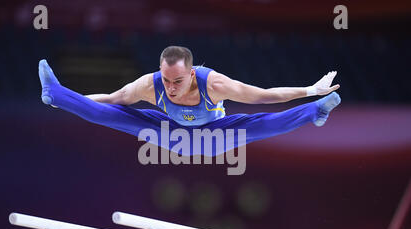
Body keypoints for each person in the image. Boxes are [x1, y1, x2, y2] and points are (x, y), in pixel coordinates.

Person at [38, 46, 341, 157]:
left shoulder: (215, 83)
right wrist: (65, 101)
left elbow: (262, 95)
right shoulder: (149, 84)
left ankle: (314, 111)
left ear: (193, 74)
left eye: (178, 81)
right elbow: (112, 100)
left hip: (214, 138)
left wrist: (310, 90)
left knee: (259, 124)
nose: (169, 88)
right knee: (116, 113)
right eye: (166, 80)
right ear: (159, 71)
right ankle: (58, 93)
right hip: (173, 137)